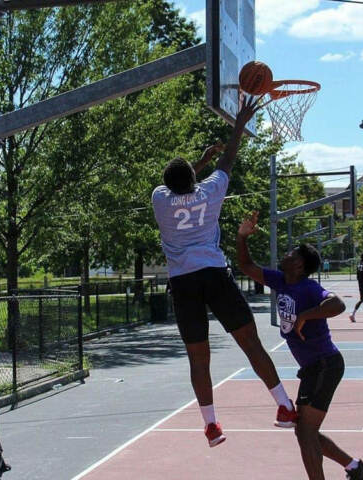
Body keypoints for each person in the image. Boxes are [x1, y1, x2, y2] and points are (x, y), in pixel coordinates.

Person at [151, 96, 296, 448]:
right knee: (250, 342)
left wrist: (199, 161)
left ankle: (212, 425)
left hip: (183, 283)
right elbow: (229, 160)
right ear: (194, 179)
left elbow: (181, 183)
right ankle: (283, 406)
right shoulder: (212, 192)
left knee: (199, 358)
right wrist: (238, 125)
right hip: (214, 275)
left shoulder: (159, 199)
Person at [236, 211, 363, 480]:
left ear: (300, 265)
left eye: (292, 253)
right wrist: (242, 236)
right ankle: (356, 468)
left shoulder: (309, 288)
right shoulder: (280, 280)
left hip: (325, 364)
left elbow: (338, 304)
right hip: (313, 368)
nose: (286, 254)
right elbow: (246, 266)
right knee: (304, 431)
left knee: (305, 433)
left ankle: (349, 470)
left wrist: (305, 315)